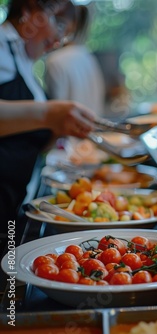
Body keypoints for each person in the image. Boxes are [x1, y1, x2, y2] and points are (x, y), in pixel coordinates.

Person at [0, 0, 94, 231]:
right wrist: (49, 114)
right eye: (60, 26)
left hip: (13, 201)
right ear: (29, 11)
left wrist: (59, 128)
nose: (58, 42)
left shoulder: (22, 57)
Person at [44, 4, 106, 115]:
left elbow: (55, 111)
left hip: (68, 131)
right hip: (94, 129)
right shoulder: (88, 57)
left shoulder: (55, 61)